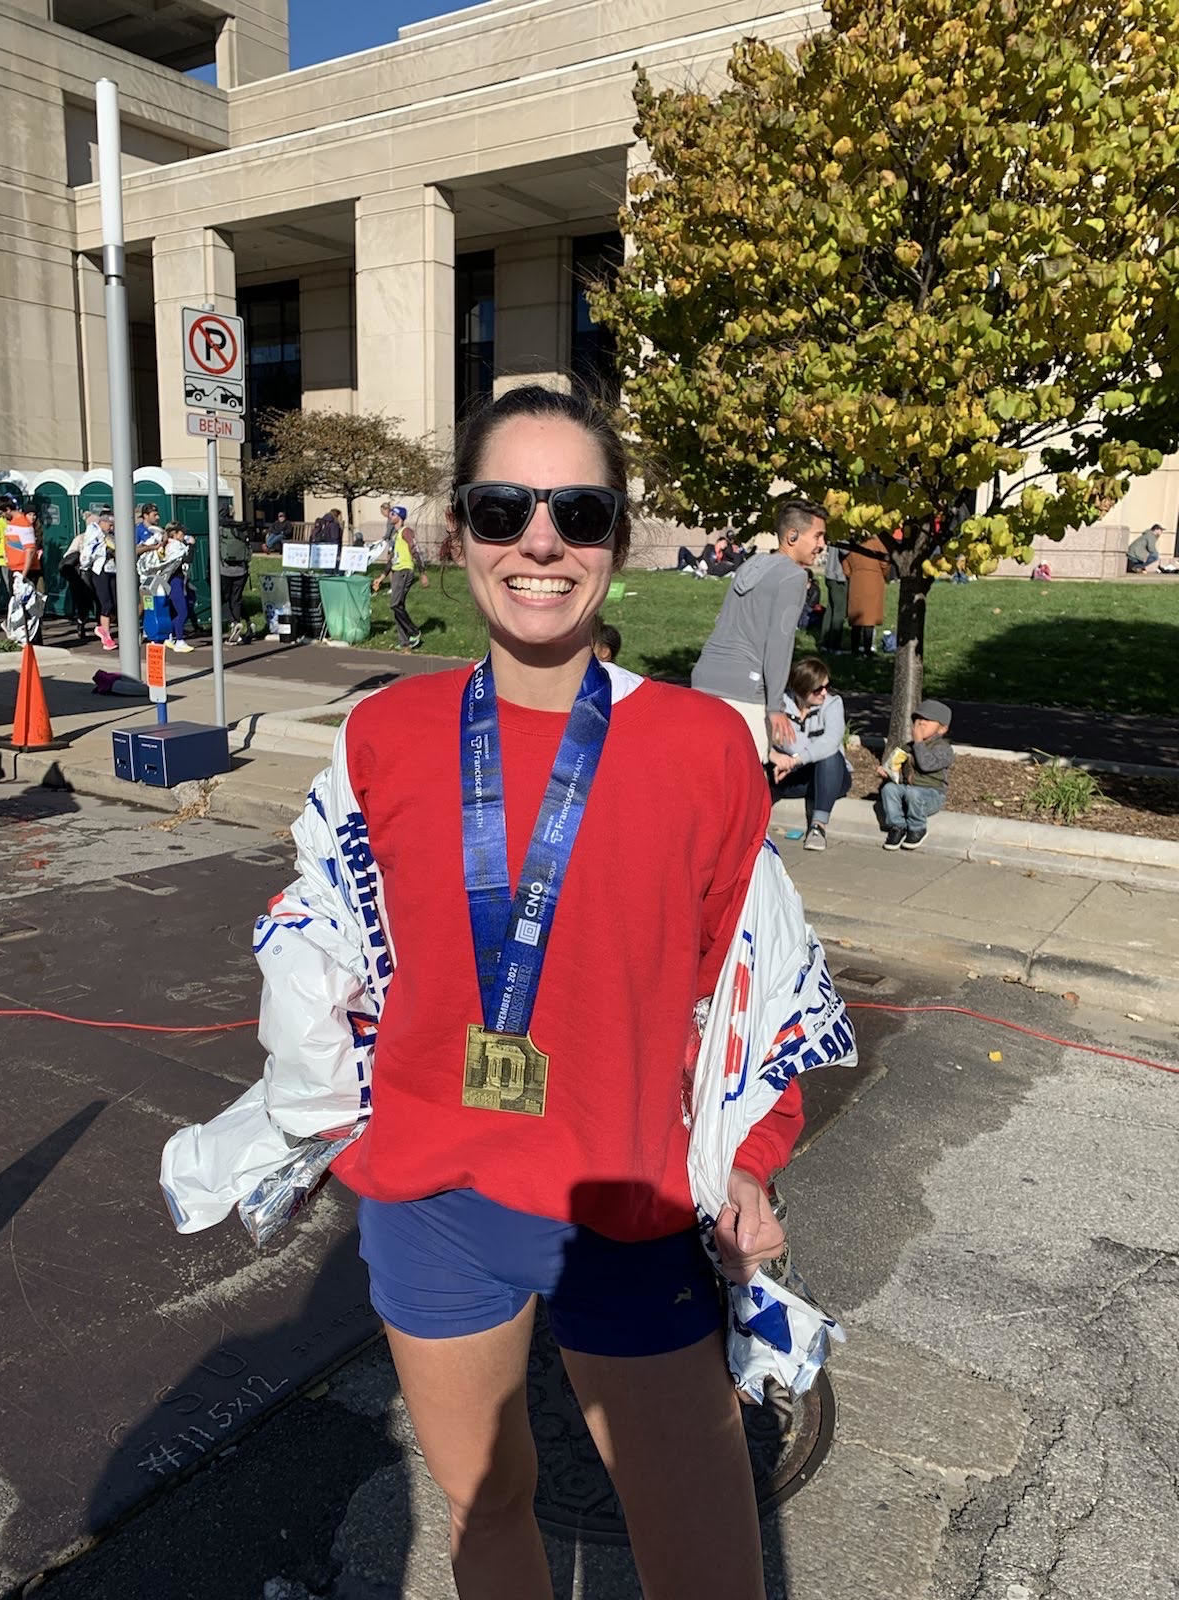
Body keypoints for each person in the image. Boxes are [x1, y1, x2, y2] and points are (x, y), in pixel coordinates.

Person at [267, 383, 807, 1600]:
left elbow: (755, 978)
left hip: (627, 1199)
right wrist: (311, 1101)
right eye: (505, 508)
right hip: (432, 1200)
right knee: (484, 1509)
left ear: (619, 536)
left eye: (581, 511)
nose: (542, 542)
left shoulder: (703, 746)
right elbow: (328, 940)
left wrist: (752, 1153)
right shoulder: (385, 732)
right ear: (459, 529)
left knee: (708, 1572)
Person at [690, 496, 828, 763]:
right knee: (745, 779)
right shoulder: (794, 576)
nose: (822, 544)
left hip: (705, 677)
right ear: (792, 536)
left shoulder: (750, 565)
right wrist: (775, 706)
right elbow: (780, 643)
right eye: (818, 536)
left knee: (706, 772)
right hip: (745, 687)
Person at [769, 655, 853, 851]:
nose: (824, 692)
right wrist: (778, 757)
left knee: (830, 755)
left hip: (832, 777)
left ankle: (818, 827)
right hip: (794, 776)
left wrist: (796, 760)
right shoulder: (779, 706)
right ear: (801, 689)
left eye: (827, 686)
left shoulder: (833, 704)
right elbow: (771, 737)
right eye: (818, 689)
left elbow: (830, 741)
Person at [878, 698, 955, 850]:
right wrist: (888, 772)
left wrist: (919, 742)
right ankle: (897, 826)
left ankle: (917, 828)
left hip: (932, 795)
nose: (921, 723)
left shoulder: (943, 749)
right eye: (918, 719)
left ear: (942, 729)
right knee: (889, 789)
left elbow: (926, 765)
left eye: (928, 720)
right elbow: (897, 767)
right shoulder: (908, 747)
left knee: (913, 793)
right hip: (909, 791)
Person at [373, 506, 428, 650]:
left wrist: (422, 573)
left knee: (395, 604)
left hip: (404, 571)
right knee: (398, 606)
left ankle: (414, 632)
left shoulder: (406, 531)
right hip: (396, 571)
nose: (390, 516)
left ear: (400, 517)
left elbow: (415, 550)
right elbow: (392, 559)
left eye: (393, 514)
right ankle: (404, 642)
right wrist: (381, 577)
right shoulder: (395, 535)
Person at [841, 535, 891, 655]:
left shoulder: (853, 541)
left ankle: (854, 649)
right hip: (873, 581)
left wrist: (851, 573)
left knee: (856, 619)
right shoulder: (876, 542)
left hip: (856, 581)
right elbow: (885, 561)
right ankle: (867, 649)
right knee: (869, 618)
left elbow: (845, 563)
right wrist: (885, 574)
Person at [79, 510, 117, 651]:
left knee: (115, 604)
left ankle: (103, 628)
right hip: (100, 570)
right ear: (103, 522)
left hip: (112, 569)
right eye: (110, 525)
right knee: (106, 603)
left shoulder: (111, 535)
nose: (111, 528)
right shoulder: (95, 533)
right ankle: (106, 635)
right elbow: (89, 551)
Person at [161, 521, 195, 652]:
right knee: (182, 611)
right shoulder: (174, 546)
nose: (184, 535)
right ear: (174, 534)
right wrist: (191, 545)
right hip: (175, 580)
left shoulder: (174, 545)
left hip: (178, 580)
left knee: (175, 611)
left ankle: (171, 637)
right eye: (182, 533)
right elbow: (187, 559)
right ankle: (179, 640)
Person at [219, 520, 253, 645]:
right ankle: (239, 623)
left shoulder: (220, 531)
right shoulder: (242, 530)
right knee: (236, 599)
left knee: (223, 598)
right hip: (241, 570)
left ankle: (233, 623)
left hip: (225, 570)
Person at [821, 542, 847, 652]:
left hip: (830, 574)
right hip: (838, 576)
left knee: (830, 609)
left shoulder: (834, 535)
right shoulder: (844, 537)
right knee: (839, 611)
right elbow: (845, 551)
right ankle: (834, 645)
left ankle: (824, 642)